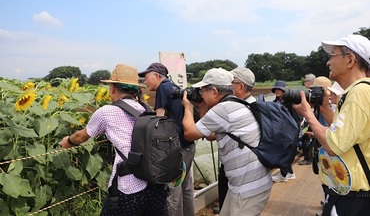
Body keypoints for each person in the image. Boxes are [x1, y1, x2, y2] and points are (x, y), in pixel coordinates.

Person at [60, 64, 167, 215]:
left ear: (113, 89)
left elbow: (80, 137)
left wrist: (68, 141)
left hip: (129, 187)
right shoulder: (146, 110)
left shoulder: (106, 112)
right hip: (156, 184)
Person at [293, 34, 370, 216]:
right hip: (353, 196)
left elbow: (334, 144)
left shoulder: (360, 92)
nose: (328, 63)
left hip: (354, 200)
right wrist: (325, 109)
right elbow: (348, 134)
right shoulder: (359, 91)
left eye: (332, 56)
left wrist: (308, 114)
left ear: (350, 60)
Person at [182, 67, 272, 216]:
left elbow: (189, 134)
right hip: (244, 184)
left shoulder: (223, 109)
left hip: (248, 188)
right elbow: (211, 135)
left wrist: (188, 108)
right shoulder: (237, 103)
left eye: (203, 91)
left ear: (215, 91)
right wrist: (203, 107)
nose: (201, 95)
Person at [138, 62, 195, 216]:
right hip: (188, 144)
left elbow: (159, 118)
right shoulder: (174, 87)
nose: (144, 81)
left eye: (146, 77)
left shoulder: (163, 87)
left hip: (175, 148)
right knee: (186, 187)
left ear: (157, 76)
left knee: (173, 190)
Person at [213, 67, 257, 213]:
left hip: (240, 168)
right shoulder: (253, 104)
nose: (227, 86)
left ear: (241, 86)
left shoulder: (242, 107)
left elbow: (207, 134)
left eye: (231, 82)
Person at [270, 80, 302, 182]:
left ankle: (284, 175)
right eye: (276, 89)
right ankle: (290, 173)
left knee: (284, 153)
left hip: (289, 132)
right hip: (279, 131)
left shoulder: (290, 103)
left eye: (279, 89)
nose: (277, 91)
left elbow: (296, 118)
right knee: (283, 152)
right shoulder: (274, 103)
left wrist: (296, 131)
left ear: (284, 91)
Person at [298, 76, 332, 166]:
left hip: (327, 147)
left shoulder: (327, 108)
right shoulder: (322, 107)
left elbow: (329, 131)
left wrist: (306, 113)